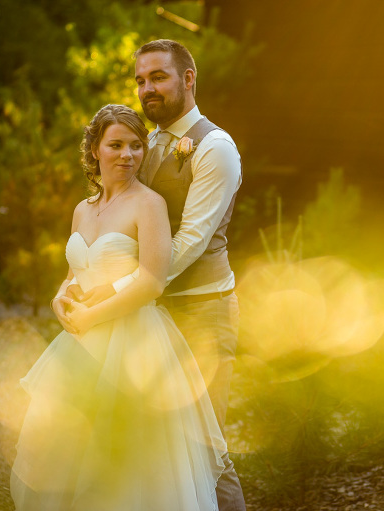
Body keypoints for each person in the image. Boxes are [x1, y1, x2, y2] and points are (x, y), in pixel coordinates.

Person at [54, 39, 246, 511]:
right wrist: (75, 287)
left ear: (188, 79)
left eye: (158, 77)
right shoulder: (145, 141)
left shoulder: (214, 148)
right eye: (141, 80)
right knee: (152, 450)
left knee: (204, 450)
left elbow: (187, 244)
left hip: (200, 312)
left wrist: (111, 293)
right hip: (144, 316)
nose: (147, 89)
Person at [11, 104, 226, 510]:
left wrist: (90, 316)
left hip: (132, 343)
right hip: (81, 345)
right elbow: (77, 268)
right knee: (69, 446)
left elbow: (151, 281)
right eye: (116, 145)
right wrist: (63, 295)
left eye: (135, 146)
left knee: (125, 459)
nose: (127, 155)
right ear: (94, 149)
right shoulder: (83, 209)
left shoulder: (149, 205)